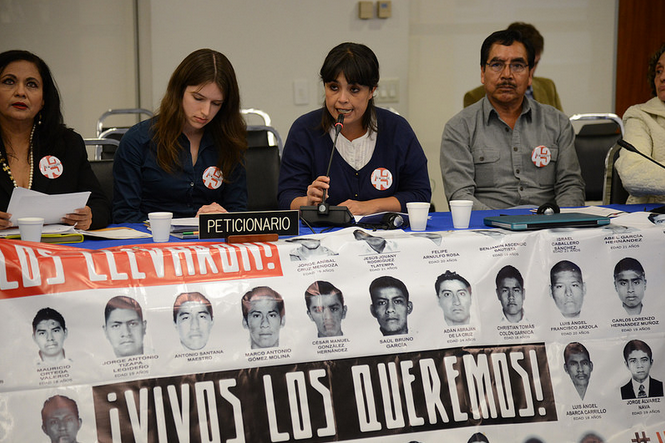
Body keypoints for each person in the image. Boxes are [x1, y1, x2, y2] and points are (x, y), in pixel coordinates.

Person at [278, 42, 431, 216]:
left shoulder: (397, 129)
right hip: (324, 232)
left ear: (371, 91)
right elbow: (285, 198)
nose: (342, 99)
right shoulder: (304, 130)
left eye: (354, 89)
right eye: (333, 87)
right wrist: (307, 202)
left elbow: (420, 195)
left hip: (385, 232)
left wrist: (370, 206)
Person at [440, 29, 585, 210]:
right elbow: (460, 196)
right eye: (497, 65)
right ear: (482, 73)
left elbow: (571, 186)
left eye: (517, 65)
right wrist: (500, 222)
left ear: (530, 75)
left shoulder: (558, 123)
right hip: (486, 225)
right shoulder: (459, 128)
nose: (507, 74)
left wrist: (558, 220)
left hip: (547, 223)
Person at [113, 48, 247, 223]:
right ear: (179, 91)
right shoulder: (138, 140)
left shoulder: (229, 141)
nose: (206, 111)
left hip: (211, 239)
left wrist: (222, 219)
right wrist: (182, 227)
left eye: (216, 103)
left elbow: (238, 210)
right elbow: (125, 216)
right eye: (198, 98)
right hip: (153, 238)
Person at [0, 50, 110, 230]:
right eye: (9, 82)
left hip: (57, 245)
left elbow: (100, 205)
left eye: (31, 84)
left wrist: (89, 216)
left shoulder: (67, 143)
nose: (20, 92)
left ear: (43, 99)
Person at [464, 22, 563, 112]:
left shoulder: (548, 86)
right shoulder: (474, 96)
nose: (507, 74)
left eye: (535, 64)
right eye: (498, 64)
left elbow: (559, 121)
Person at [615, 43, 665, 204]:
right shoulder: (639, 115)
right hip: (650, 213)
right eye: (659, 71)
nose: (662, 77)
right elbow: (632, 173)